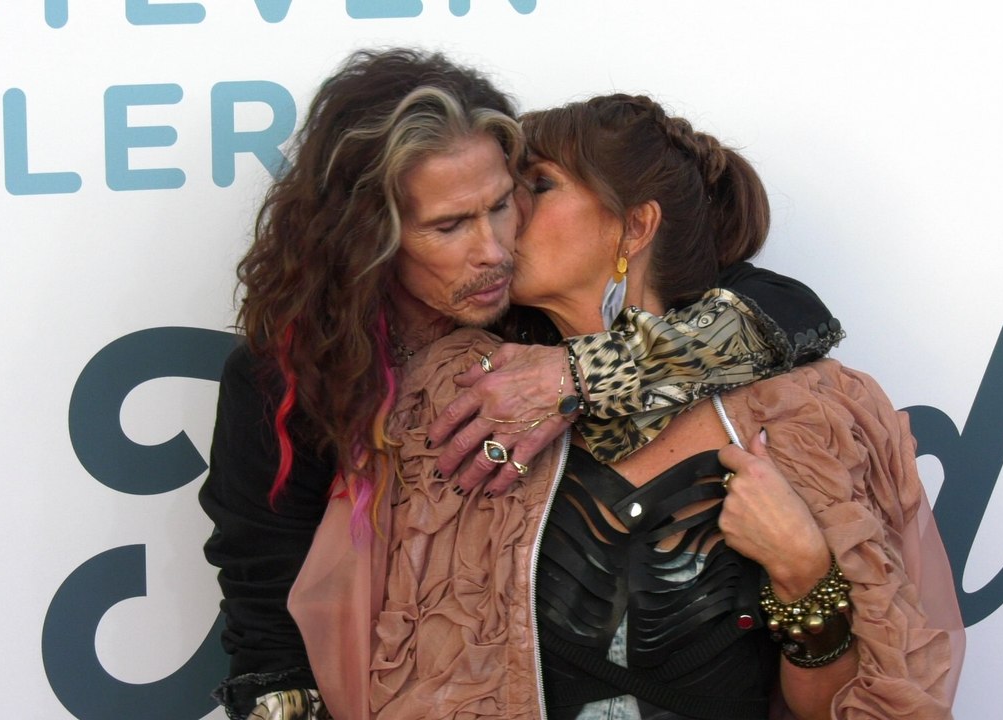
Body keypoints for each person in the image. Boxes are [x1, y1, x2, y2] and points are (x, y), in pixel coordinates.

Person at [200, 48, 842, 719]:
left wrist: (578, 373)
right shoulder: (286, 378)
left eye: (503, 204)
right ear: (368, 235)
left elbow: (793, 314)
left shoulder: (539, 313)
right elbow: (263, 601)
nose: (495, 250)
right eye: (449, 226)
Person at [357, 94, 964, 719]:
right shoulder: (466, 395)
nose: (510, 215)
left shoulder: (810, 415)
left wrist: (803, 571)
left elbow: (845, 706)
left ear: (636, 227)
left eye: (538, 184)